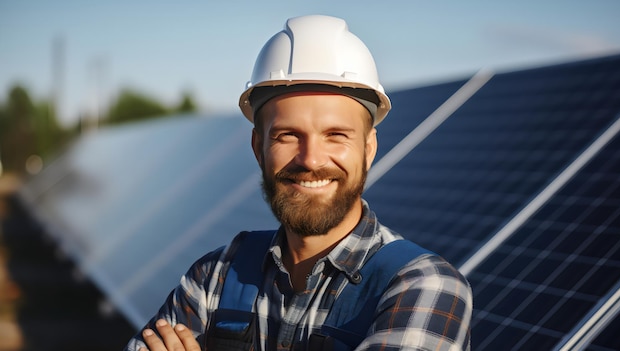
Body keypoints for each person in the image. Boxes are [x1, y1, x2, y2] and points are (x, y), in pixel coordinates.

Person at [124, 14, 472, 351]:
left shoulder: (423, 287)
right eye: (287, 135)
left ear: (368, 150)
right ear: (257, 148)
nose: (310, 159)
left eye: (336, 135)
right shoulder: (214, 276)